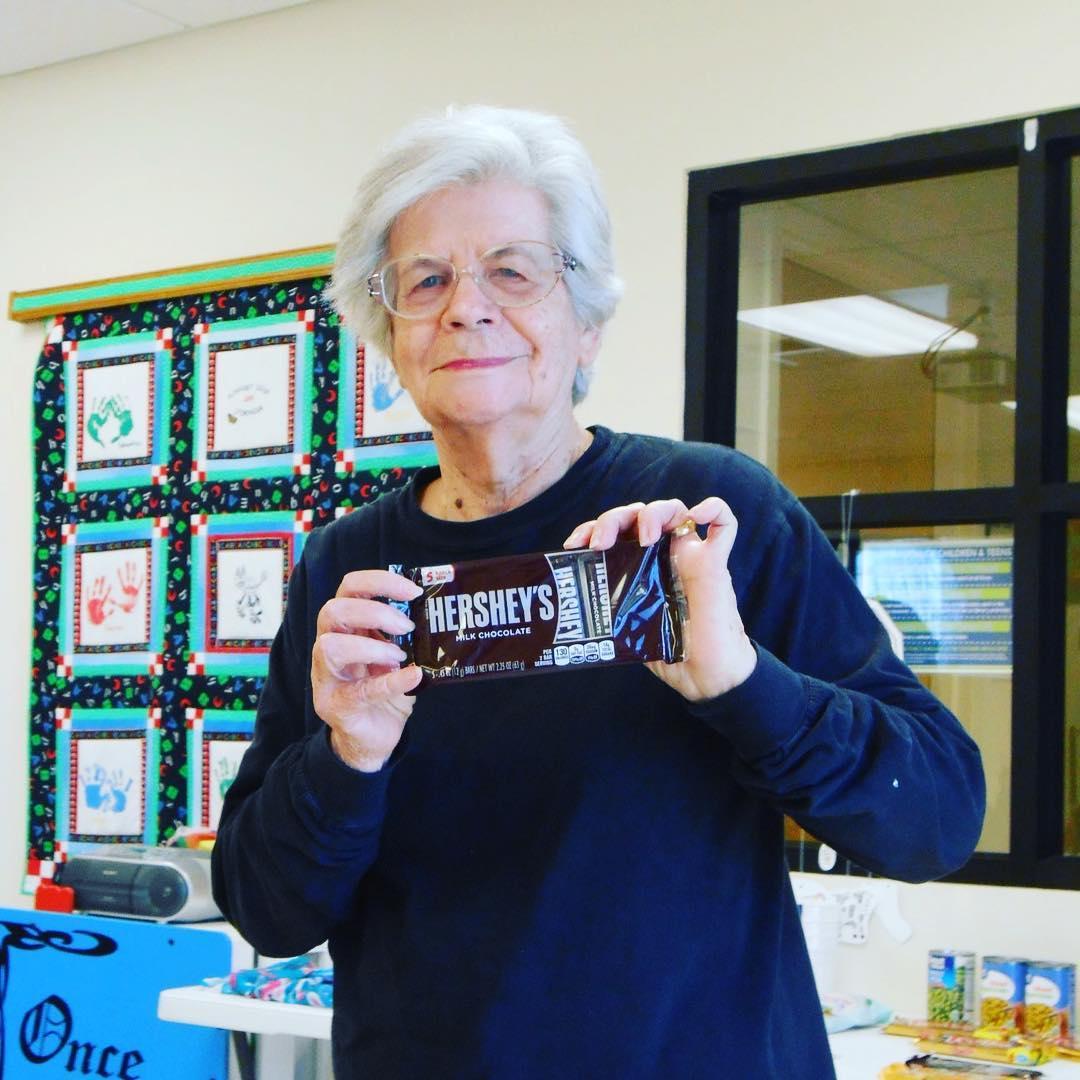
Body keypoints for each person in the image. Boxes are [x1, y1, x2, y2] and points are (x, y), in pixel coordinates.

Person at [211, 105, 985, 1079]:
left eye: (513, 269)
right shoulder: (348, 570)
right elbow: (268, 910)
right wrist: (346, 757)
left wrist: (743, 683)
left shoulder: (709, 517)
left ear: (588, 324)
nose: (466, 305)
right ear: (392, 334)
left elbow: (939, 816)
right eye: (427, 279)